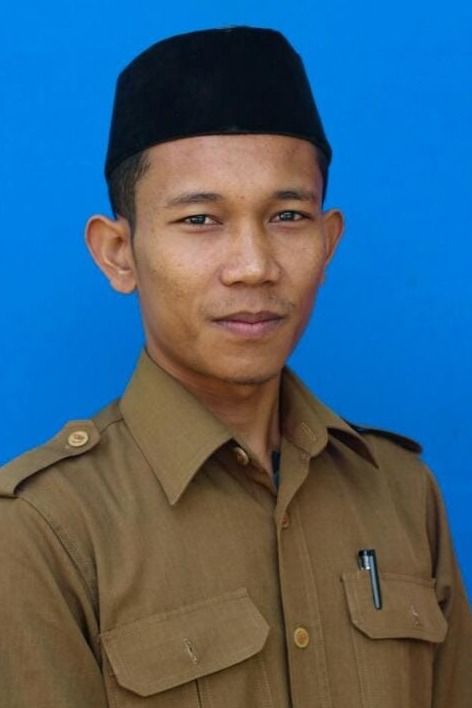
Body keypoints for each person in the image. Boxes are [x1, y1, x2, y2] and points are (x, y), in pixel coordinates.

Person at [0, 26, 470, 708]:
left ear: (328, 242)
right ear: (118, 253)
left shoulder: (401, 493)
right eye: (200, 220)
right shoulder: (43, 529)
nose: (254, 266)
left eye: (288, 215)